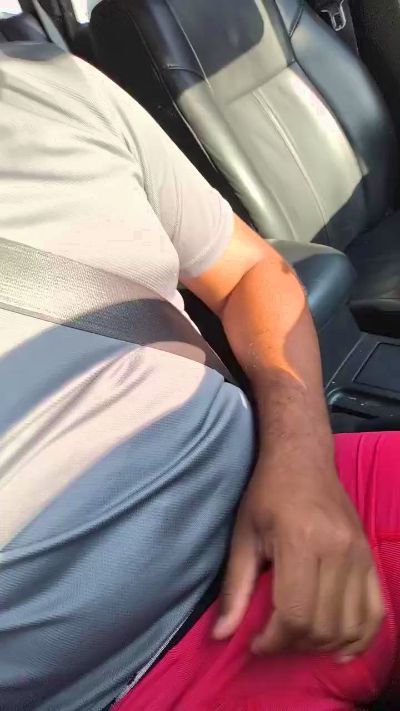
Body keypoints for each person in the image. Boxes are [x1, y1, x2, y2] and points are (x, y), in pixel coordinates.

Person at [0, 40, 383, 710]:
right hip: (119, 686)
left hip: (306, 498)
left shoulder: (46, 83)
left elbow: (250, 270)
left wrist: (302, 459)